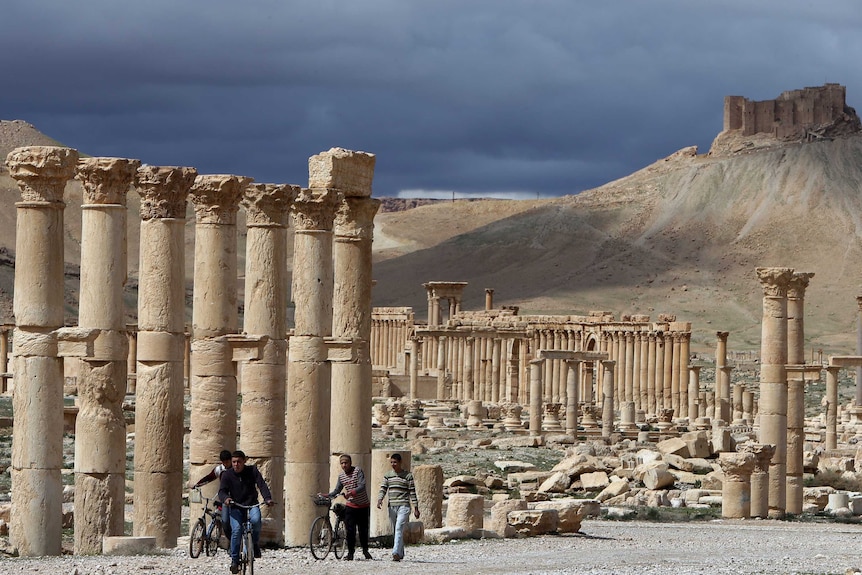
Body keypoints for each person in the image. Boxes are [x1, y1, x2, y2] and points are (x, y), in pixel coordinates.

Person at [218, 450, 274, 574]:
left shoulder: (252, 471)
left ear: (244, 461)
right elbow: (221, 491)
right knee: (236, 530)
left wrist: (267, 498)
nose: (236, 464)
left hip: (252, 504)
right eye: (234, 462)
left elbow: (262, 485)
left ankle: (254, 544)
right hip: (236, 506)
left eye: (238, 462)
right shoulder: (227, 475)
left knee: (256, 521)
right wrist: (226, 499)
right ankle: (234, 559)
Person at [321, 454, 373, 561]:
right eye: (342, 463)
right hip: (351, 506)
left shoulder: (358, 471)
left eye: (346, 463)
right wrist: (327, 495)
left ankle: (365, 550)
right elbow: (337, 490)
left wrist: (352, 492)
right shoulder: (341, 477)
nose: (344, 465)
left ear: (350, 463)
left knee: (363, 530)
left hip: (363, 505)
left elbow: (362, 485)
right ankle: (350, 553)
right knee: (350, 530)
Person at [376, 453, 420, 562]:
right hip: (392, 506)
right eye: (391, 462)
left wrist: (416, 507)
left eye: (395, 462)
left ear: (400, 462)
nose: (393, 464)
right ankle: (400, 553)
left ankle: (395, 552)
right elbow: (383, 488)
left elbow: (412, 492)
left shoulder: (408, 476)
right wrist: (380, 499)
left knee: (399, 528)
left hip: (404, 505)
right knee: (396, 530)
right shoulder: (388, 475)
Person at [188, 449, 233, 540]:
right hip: (225, 497)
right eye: (223, 462)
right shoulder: (219, 469)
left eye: (227, 462)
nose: (225, 464)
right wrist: (197, 484)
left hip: (236, 497)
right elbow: (209, 477)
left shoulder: (236, 468)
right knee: (225, 522)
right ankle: (231, 541)